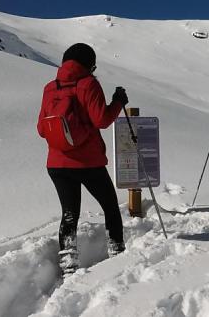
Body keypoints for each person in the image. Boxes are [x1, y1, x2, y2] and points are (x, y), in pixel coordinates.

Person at [37, 43, 129, 275]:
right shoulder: (88, 84)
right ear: (89, 64)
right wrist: (118, 101)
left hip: (57, 163)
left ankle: (68, 265)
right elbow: (102, 121)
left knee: (69, 214)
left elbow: (41, 128)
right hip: (88, 162)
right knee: (110, 207)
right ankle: (117, 253)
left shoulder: (50, 88)